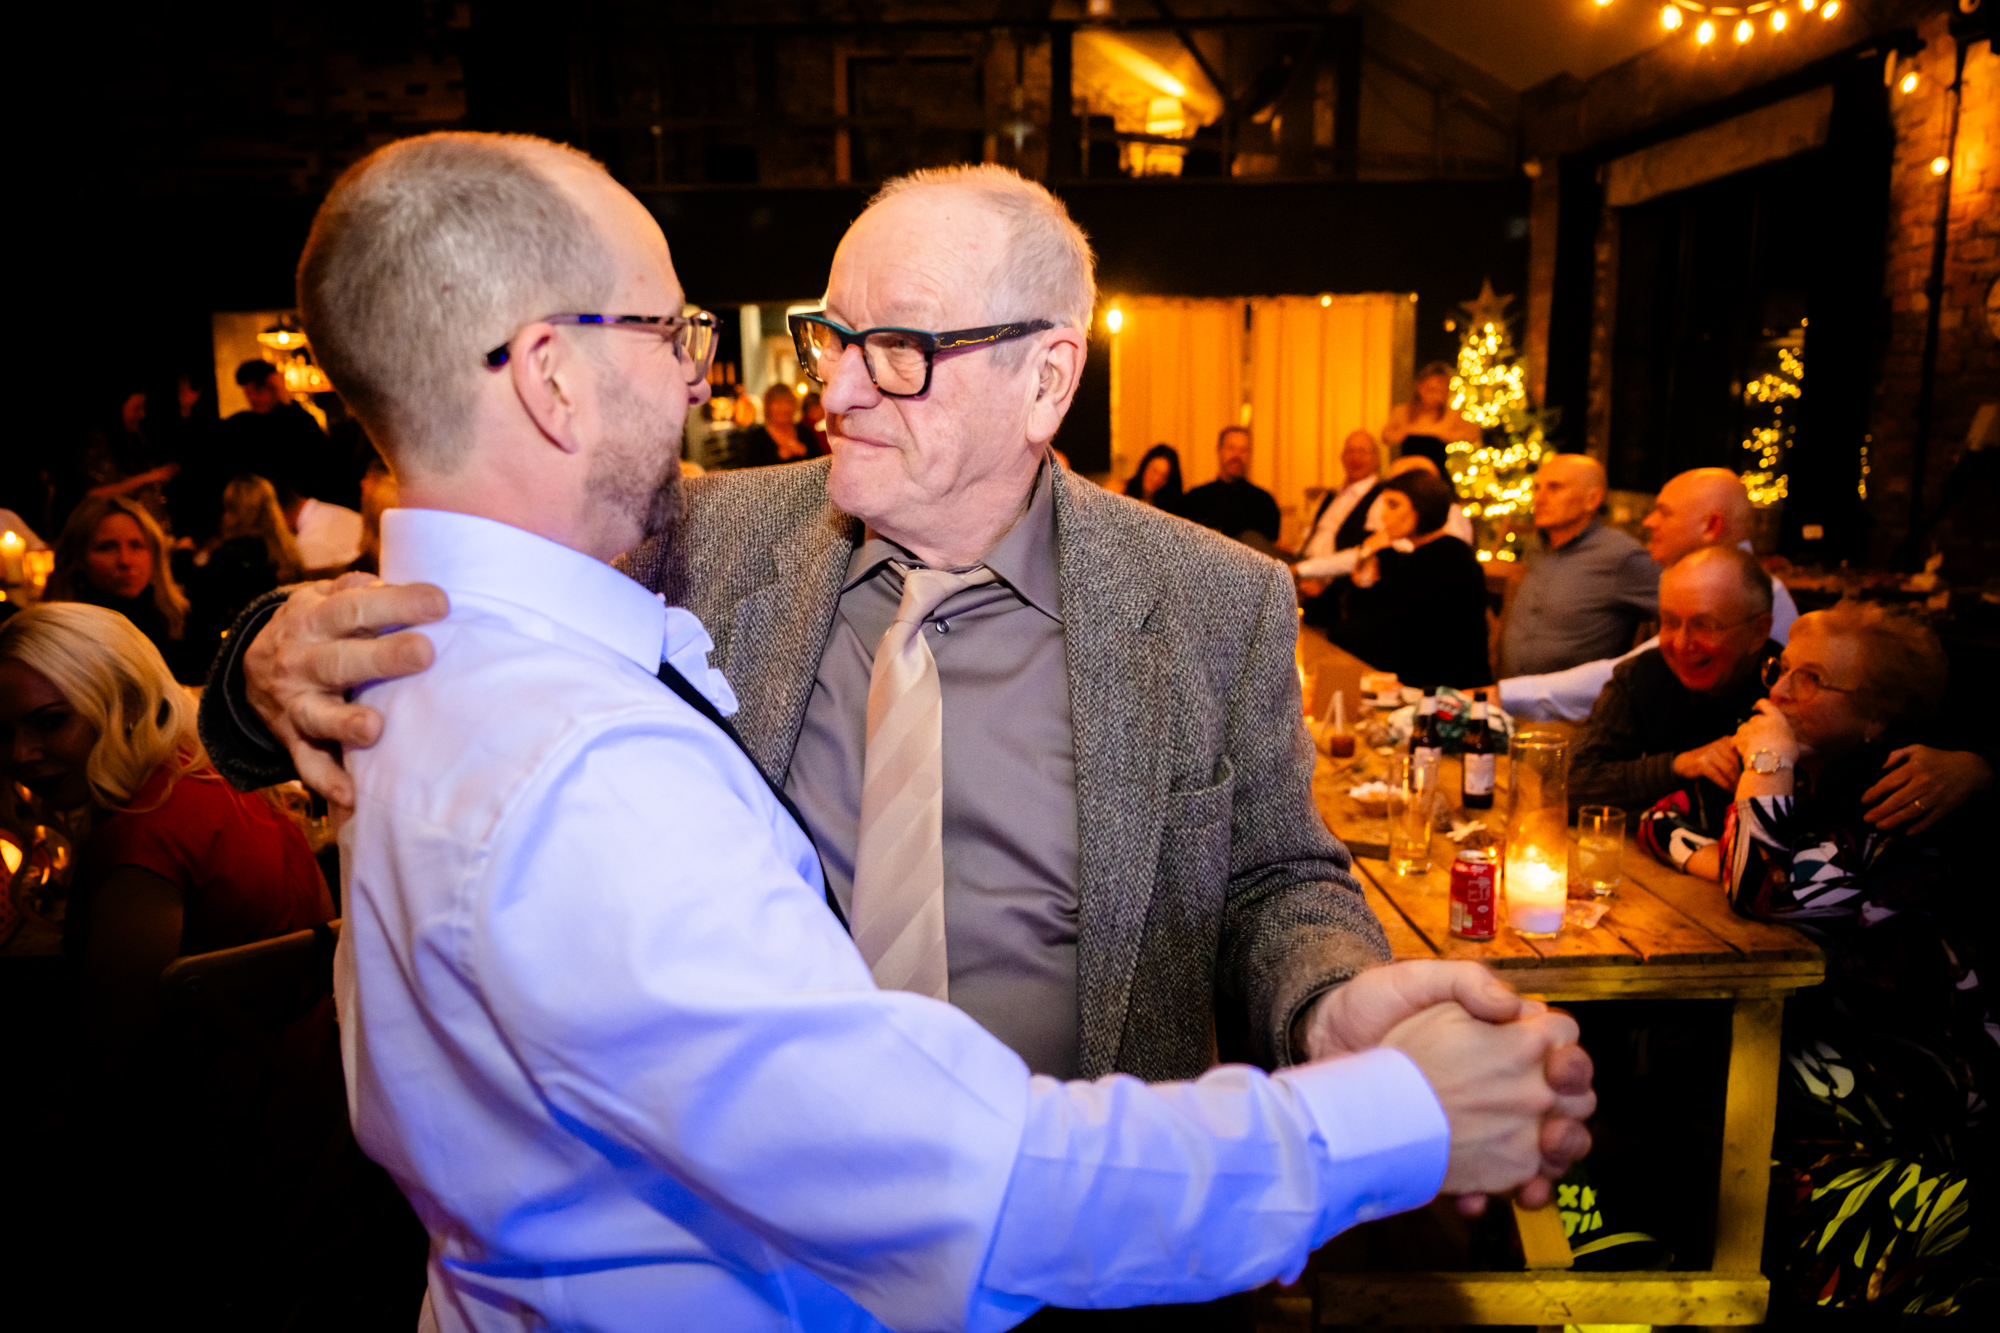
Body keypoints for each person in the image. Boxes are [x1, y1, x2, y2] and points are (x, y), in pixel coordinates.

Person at [201, 134, 1592, 1331]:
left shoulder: (1211, 595)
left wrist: (1331, 1001)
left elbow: (1276, 875)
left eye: (902, 352)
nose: (838, 391)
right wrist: (260, 661)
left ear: (1048, 380)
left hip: (1125, 1238)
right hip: (810, 1241)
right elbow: (488, 567)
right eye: (832, 336)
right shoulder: (706, 538)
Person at [1720, 602, 1995, 1319]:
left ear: (1878, 717)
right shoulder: (1831, 775)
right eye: (1782, 668)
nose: (1778, 692)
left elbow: (1758, 887)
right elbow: (1670, 818)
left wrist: (1767, 757)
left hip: (1910, 1080)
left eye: (1810, 681)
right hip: (1850, 1042)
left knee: (1678, 1079)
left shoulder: (1894, 792)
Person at [1497, 468, 1795, 721]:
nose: (1648, 522)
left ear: (1711, 526)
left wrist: (1504, 696)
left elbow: (1624, 677)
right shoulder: (1537, 548)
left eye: (1663, 512)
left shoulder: (1760, 597)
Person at [1569, 546, 1778, 865]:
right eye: (1669, 622)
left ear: (1758, 631)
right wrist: (1678, 765)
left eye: (1703, 625)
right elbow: (1572, 784)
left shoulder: (1789, 694)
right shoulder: (1641, 676)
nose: (1681, 644)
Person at [1309, 470, 1490, 689]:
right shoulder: (1415, 555)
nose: (1383, 516)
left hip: (1447, 690)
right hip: (1418, 673)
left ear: (1421, 508)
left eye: (1393, 505)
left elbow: (1406, 634)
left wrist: (1379, 555)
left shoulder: (1450, 558)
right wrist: (1368, 564)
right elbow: (1372, 614)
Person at [1497, 454, 1658, 679]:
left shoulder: (1621, 555)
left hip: (1576, 710)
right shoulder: (1537, 545)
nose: (1539, 499)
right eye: (1537, 488)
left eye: (1555, 488)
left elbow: (1678, 611)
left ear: (1592, 499)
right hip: (1513, 698)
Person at [45, 495, 197, 683]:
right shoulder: (61, 639)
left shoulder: (187, 622)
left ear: (154, 554)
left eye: (136, 546)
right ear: (77, 559)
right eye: (106, 547)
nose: (125, 560)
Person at [217, 360, 335, 505]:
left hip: (295, 505)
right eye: (248, 392)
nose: (252, 398)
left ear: (274, 389)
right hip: (254, 507)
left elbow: (321, 456)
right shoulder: (239, 424)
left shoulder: (296, 421)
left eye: (259, 391)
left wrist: (286, 399)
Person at [1179, 425, 1280, 547]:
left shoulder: (1265, 502)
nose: (1236, 456)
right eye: (1231, 448)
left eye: (1243, 450)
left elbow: (1268, 552)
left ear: (1249, 454)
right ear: (1219, 450)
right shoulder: (1194, 499)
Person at [1381, 362, 1480, 470]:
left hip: (1436, 474)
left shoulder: (1450, 415)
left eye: (1441, 392)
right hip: (1407, 472)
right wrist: (1403, 433)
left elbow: (1474, 434)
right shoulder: (1402, 412)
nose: (1435, 396)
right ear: (1419, 387)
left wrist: (1450, 435)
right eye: (1431, 390)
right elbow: (1385, 435)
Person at [736, 382, 824, 467]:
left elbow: (821, 464)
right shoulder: (756, 438)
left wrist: (804, 453)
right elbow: (748, 473)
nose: (784, 408)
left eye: (788, 402)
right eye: (778, 403)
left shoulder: (805, 433)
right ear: (768, 407)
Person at [1121, 442, 1184, 512]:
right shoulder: (1120, 489)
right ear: (1145, 466)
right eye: (1154, 471)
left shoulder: (1164, 508)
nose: (1156, 479)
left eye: (1163, 476)